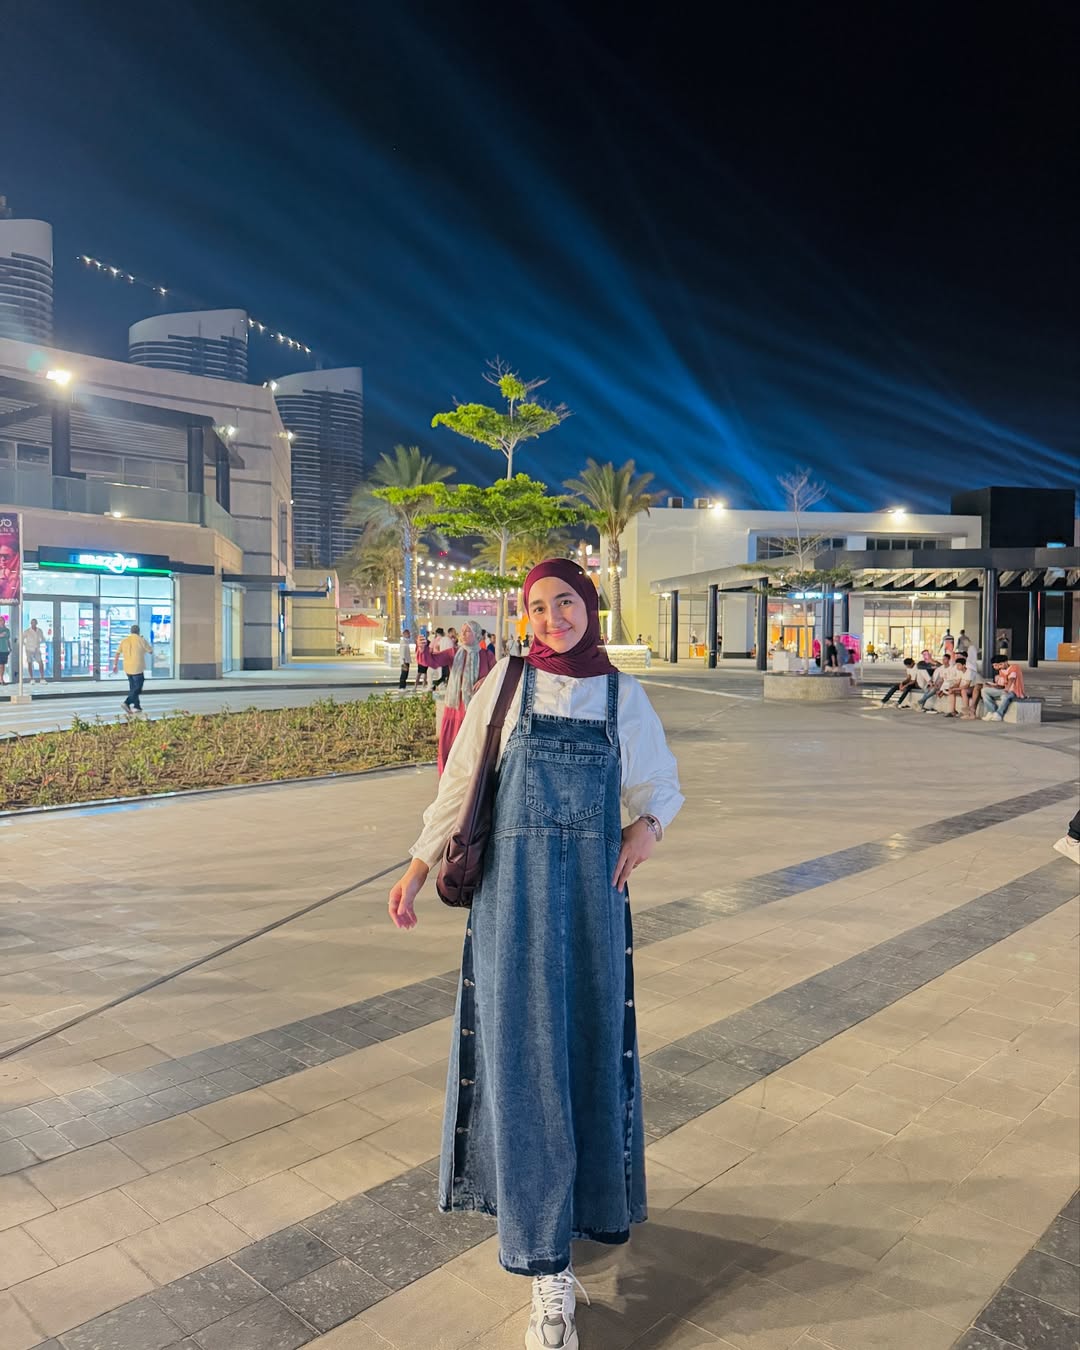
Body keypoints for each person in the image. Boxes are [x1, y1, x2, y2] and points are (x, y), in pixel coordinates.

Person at [388, 559, 683, 1350]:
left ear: (590, 606)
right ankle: (544, 1266)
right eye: (540, 606)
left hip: (591, 908)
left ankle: (583, 1212)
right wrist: (415, 870)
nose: (554, 617)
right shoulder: (508, 684)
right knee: (523, 1066)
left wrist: (647, 830)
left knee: (586, 1056)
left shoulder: (621, 694)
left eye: (567, 601)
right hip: (510, 906)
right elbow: (460, 784)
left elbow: (661, 784)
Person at [422, 621, 497, 773]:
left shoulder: (486, 655)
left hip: (476, 711)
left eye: (467, 631)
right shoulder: (454, 653)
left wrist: (486, 679)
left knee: (472, 751)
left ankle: (472, 780)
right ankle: (448, 778)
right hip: (455, 710)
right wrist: (422, 648)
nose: (462, 634)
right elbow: (431, 661)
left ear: (476, 635)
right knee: (451, 748)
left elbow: (497, 676)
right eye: (461, 631)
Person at [113, 624, 153, 714]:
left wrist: (115, 665)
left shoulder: (124, 641)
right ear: (138, 631)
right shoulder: (141, 640)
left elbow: (117, 653)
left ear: (130, 631)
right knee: (138, 688)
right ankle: (127, 702)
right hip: (137, 667)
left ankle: (137, 706)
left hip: (127, 668)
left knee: (133, 688)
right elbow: (150, 651)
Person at [22, 617, 46, 683]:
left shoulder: (39, 630)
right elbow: (21, 639)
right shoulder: (27, 631)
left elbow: (43, 638)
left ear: (36, 623)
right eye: (32, 623)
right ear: (31, 623)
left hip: (37, 649)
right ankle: (31, 678)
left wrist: (40, 642)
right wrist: (25, 644)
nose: (33, 624)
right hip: (29, 649)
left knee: (40, 663)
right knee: (30, 663)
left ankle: (42, 678)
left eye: (34, 623)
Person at [0, 617, 10, 684]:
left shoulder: (7, 630)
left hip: (4, 649)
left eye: (2, 620)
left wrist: (10, 648)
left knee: (2, 665)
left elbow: (7, 639)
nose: (1, 621)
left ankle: (1, 679)